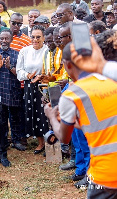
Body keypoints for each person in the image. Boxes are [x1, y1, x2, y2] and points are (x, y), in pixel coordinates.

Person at [45, 41, 117, 198]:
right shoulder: (111, 80)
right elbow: (101, 123)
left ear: (67, 65)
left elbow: (64, 137)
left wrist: (52, 117)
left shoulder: (71, 95)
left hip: (106, 177)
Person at [0, 29, 26, 151]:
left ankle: (16, 140)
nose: (4, 41)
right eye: (2, 38)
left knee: (15, 117)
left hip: (14, 91)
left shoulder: (17, 54)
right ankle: (3, 141)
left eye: (6, 39)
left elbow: (21, 75)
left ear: (11, 40)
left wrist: (10, 67)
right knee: (1, 119)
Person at [16, 25, 49, 154]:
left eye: (38, 37)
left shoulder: (48, 51)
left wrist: (42, 76)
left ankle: (51, 142)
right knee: (34, 114)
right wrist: (28, 75)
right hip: (30, 86)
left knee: (46, 114)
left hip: (44, 85)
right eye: (33, 37)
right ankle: (41, 143)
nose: (35, 40)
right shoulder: (24, 51)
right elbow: (19, 71)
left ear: (44, 37)